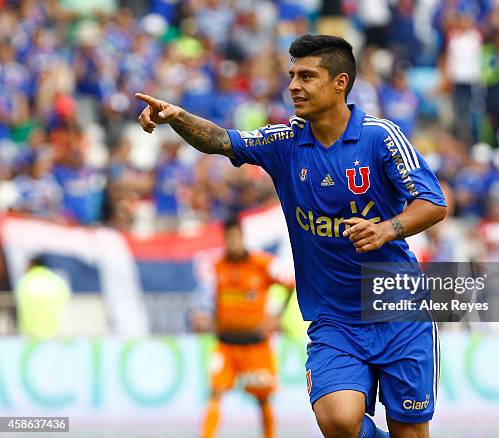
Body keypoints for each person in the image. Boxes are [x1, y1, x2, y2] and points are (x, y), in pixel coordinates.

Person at [137, 34, 446, 438]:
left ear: (340, 83)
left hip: (398, 308)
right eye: (291, 75)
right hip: (334, 318)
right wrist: (177, 117)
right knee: (337, 419)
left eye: (307, 76)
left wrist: (387, 228)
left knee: (410, 432)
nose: (293, 86)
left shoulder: (381, 137)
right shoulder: (284, 142)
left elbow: (434, 202)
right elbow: (220, 140)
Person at [190, 217, 294, 438]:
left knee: (262, 398)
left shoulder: (262, 264)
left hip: (255, 345)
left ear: (242, 237)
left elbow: (290, 284)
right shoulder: (217, 267)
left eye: (235, 237)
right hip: (226, 345)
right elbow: (208, 300)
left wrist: (276, 317)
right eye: (228, 237)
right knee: (216, 392)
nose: (232, 242)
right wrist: (204, 318)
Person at [15, 255, 71, 339]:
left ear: (33, 264)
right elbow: (66, 299)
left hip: (30, 334)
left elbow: (18, 301)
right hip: (54, 333)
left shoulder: (25, 281)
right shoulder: (56, 280)